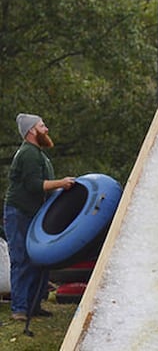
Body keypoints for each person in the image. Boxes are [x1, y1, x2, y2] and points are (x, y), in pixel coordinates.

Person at [4, 113, 75, 321]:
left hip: (32, 212)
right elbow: (34, 185)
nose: (46, 129)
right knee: (22, 259)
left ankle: (33, 306)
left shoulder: (38, 154)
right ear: (32, 131)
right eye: (42, 126)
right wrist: (62, 183)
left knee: (39, 258)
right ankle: (19, 308)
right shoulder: (28, 154)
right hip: (19, 212)